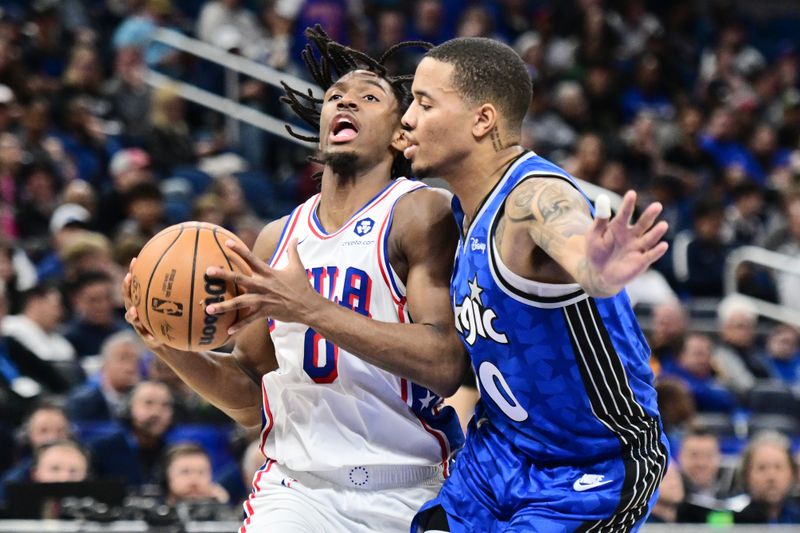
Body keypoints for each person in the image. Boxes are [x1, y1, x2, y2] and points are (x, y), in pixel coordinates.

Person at [123, 27, 465, 533]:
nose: (345, 102)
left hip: (408, 488)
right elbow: (249, 399)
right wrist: (168, 344)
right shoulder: (275, 239)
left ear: (400, 133)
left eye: (369, 97)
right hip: (296, 490)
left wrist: (310, 309)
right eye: (335, 97)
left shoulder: (419, 213)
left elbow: (445, 364)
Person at [398, 37, 670, 531]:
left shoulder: (533, 197)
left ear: (482, 121)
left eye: (424, 102)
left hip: (589, 466)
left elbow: (569, 233)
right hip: (497, 454)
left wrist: (595, 266)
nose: (408, 119)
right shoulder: (462, 213)